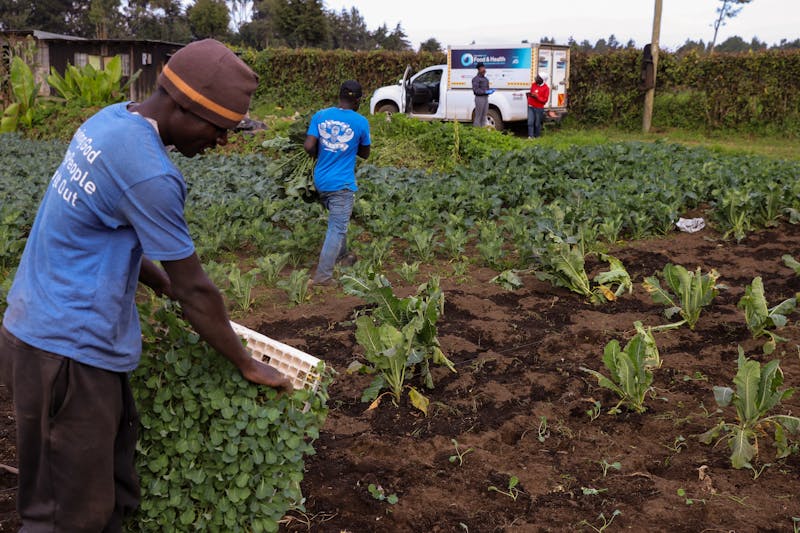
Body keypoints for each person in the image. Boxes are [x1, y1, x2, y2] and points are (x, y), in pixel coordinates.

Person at [0, 39, 292, 533]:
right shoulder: (151, 174)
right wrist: (246, 363)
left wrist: (161, 288)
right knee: (62, 517)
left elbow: (103, 230)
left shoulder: (112, 121)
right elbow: (197, 288)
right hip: (65, 351)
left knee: (109, 489)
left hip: (50, 334)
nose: (221, 142)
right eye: (218, 129)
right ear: (183, 107)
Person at [304, 80, 371, 286]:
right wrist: (349, 147)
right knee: (337, 228)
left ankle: (343, 257)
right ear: (358, 100)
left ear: (339, 95)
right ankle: (323, 276)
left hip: (321, 181)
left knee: (337, 222)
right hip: (341, 184)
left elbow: (308, 146)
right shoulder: (360, 122)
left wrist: (322, 154)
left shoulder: (321, 115)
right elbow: (365, 153)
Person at [471, 62, 494, 127]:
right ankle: (477, 132)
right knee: (478, 116)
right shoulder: (475, 79)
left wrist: (490, 91)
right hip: (479, 98)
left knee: (484, 116)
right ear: (479, 69)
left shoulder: (486, 79)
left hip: (486, 98)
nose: (484, 69)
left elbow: (486, 89)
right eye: (482, 68)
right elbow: (476, 90)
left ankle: (483, 132)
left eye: (484, 68)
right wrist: (485, 92)